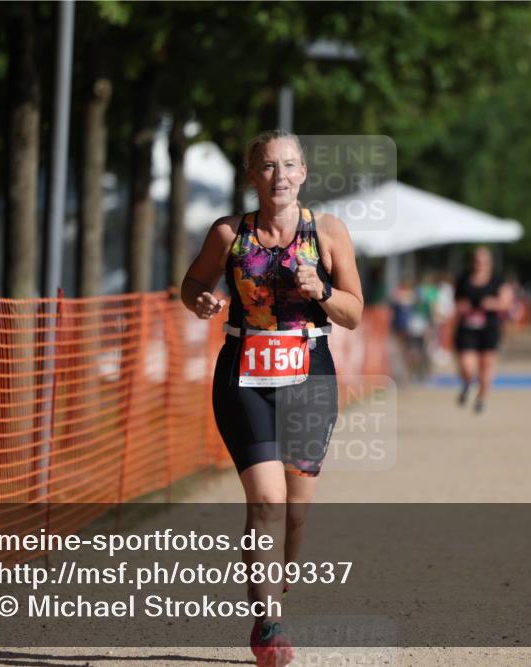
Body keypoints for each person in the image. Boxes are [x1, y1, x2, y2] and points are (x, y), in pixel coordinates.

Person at [180, 129, 363, 667]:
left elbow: (353, 311)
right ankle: (268, 623)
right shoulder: (227, 233)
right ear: (251, 174)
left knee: (296, 514)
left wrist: (322, 292)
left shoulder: (326, 233)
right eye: (267, 166)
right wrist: (203, 301)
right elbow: (190, 284)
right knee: (266, 502)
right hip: (244, 372)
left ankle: (276, 588)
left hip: (310, 376)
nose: (278, 176)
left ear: (303, 172)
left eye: (288, 165)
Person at [453, 246, 512, 413]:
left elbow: (506, 302)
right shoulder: (463, 279)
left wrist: (493, 303)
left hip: (489, 328)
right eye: (477, 261)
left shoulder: (497, 281)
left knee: (486, 365)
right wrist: (461, 307)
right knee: (467, 365)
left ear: (490, 263)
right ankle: (467, 384)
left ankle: (482, 398)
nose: (480, 264)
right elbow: (455, 301)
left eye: (484, 261)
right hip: (467, 328)